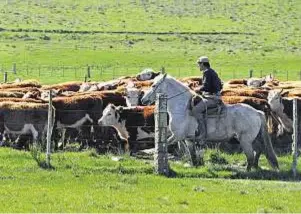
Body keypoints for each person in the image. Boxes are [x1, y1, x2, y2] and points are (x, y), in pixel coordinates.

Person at [191, 56, 223, 139]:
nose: (198, 66)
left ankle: (202, 133)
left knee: (196, 110)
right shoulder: (212, 71)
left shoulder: (207, 73)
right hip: (214, 96)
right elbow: (219, 85)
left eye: (199, 64)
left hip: (212, 98)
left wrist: (197, 89)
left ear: (202, 64)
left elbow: (207, 87)